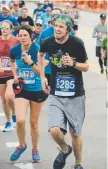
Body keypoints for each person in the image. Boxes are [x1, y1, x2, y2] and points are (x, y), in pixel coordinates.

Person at [38, 14, 89, 169]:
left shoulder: (77, 44)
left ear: (68, 29)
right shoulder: (47, 42)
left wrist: (73, 63)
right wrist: (42, 78)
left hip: (75, 95)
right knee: (54, 130)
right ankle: (65, 149)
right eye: (56, 26)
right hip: (56, 93)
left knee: (75, 133)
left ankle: (78, 164)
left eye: (61, 27)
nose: (57, 29)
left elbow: (86, 66)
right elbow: (40, 55)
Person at [9, 24, 48, 162]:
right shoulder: (14, 49)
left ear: (31, 36)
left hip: (37, 90)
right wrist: (14, 75)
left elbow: (41, 72)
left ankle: (35, 148)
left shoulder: (38, 51)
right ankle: (22, 145)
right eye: (20, 35)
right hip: (22, 89)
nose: (23, 37)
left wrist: (31, 63)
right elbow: (11, 60)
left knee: (33, 123)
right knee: (20, 121)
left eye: (25, 35)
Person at [0, 20, 19, 132]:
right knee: (3, 100)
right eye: (2, 27)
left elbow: (20, 54)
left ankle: (14, 114)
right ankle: (8, 122)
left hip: (12, 73)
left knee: (9, 96)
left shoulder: (16, 41)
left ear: (11, 29)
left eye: (7, 28)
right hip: (1, 73)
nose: (4, 29)